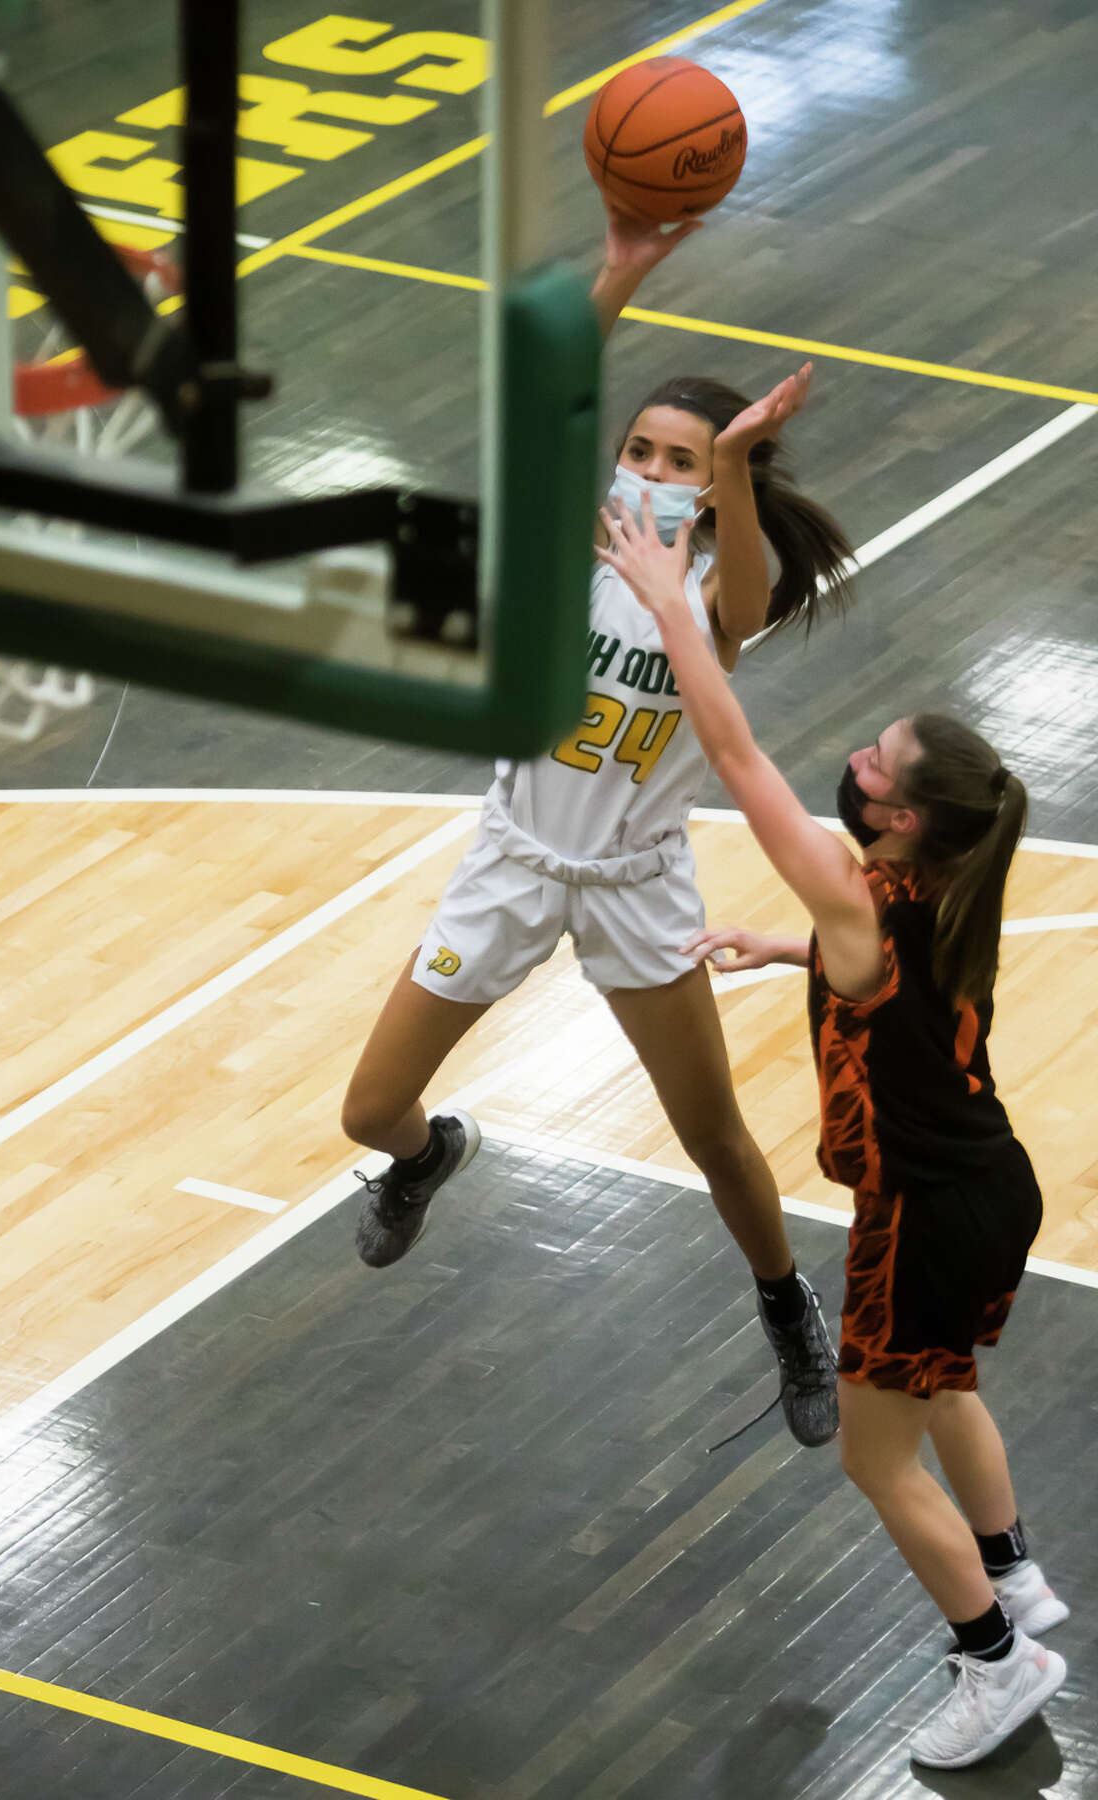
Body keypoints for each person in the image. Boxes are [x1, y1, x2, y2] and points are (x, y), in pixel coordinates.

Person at [341, 202, 855, 1449]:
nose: (652, 473)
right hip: (513, 864)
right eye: (641, 450)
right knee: (369, 1112)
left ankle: (787, 1306)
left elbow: (743, 590)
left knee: (715, 1138)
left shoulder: (721, 596)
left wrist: (738, 460)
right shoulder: (573, 549)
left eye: (681, 461)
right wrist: (620, 270)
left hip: (635, 883)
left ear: (717, 482)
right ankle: (428, 1157)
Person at [596, 481, 1068, 1769]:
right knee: (944, 1383)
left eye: (872, 765)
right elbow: (883, 980)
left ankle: (998, 1661)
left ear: (902, 818)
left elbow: (737, 758)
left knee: (877, 1457)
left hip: (921, 1218)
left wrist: (672, 610)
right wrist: (788, 949)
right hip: (993, 1190)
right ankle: (1014, 1578)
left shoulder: (870, 896)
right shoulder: (950, 891)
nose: (853, 760)